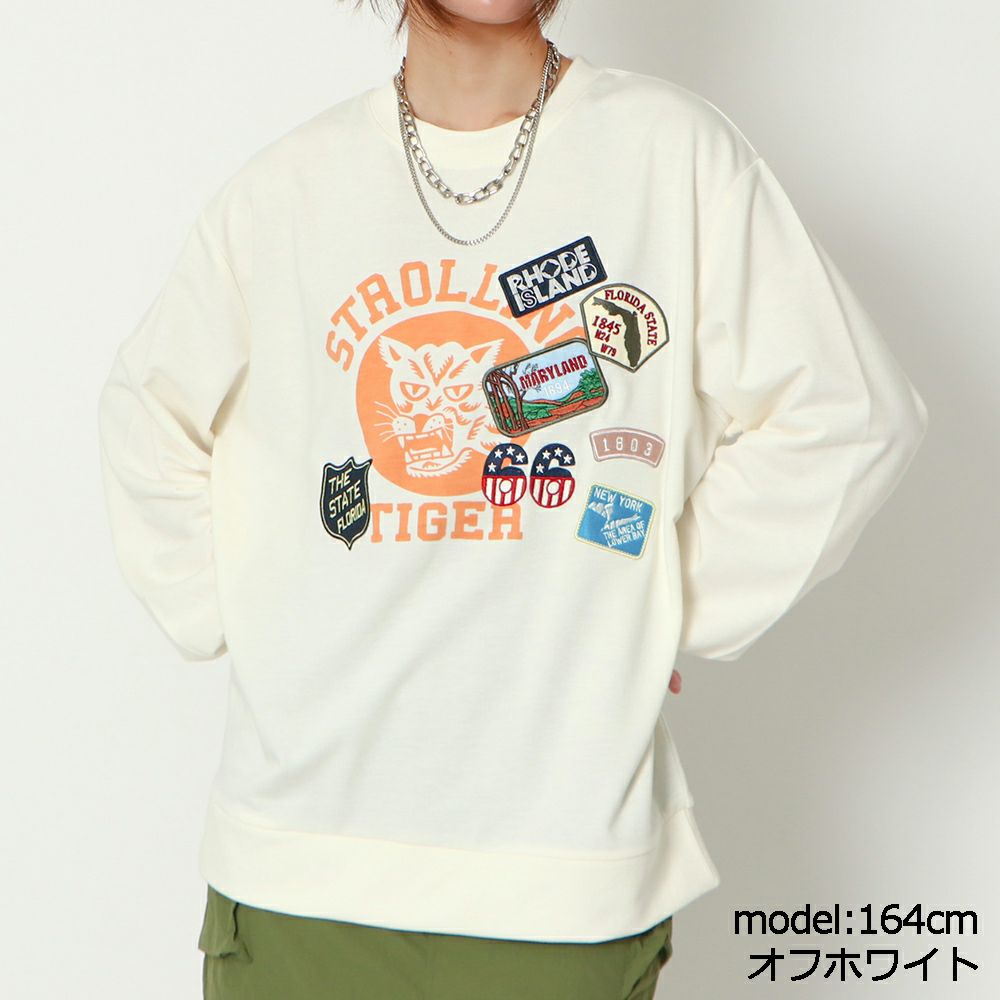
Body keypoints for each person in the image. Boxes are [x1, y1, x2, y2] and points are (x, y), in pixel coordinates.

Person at [95, 1, 929, 997]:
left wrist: (662, 598)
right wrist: (238, 610)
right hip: (302, 864)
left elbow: (848, 412)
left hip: (560, 879)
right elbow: (147, 415)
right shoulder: (287, 191)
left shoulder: (670, 157)